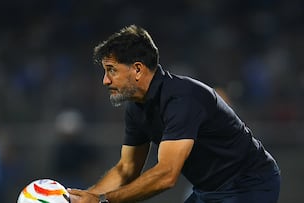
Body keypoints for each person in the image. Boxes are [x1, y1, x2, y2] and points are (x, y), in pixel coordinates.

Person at [68, 25, 281, 203]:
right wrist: (87, 196)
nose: (105, 80)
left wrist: (103, 200)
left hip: (250, 184)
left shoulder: (182, 98)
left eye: (112, 70)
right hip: (209, 191)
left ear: (138, 70)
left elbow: (167, 175)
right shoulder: (136, 108)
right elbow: (127, 168)